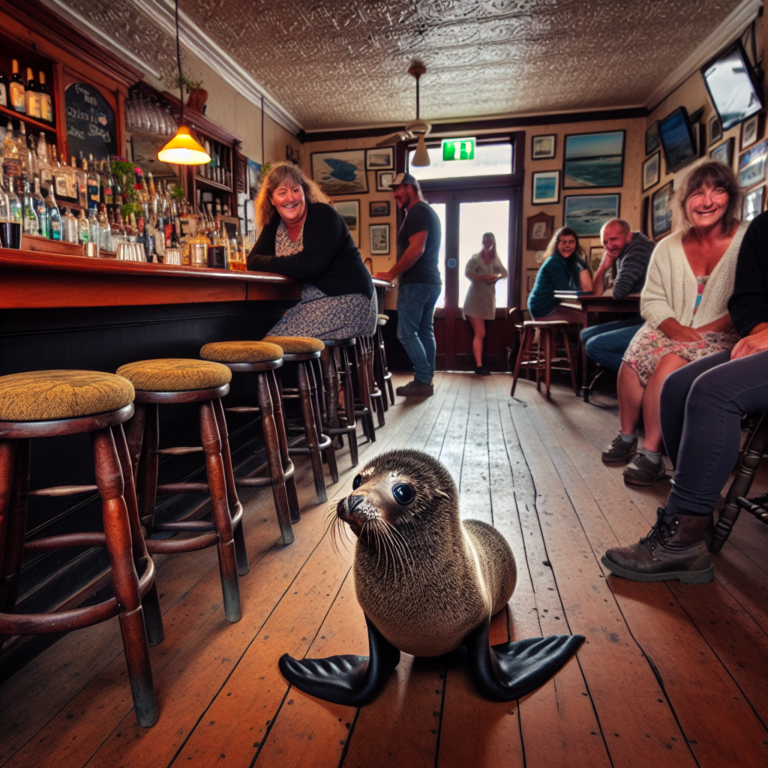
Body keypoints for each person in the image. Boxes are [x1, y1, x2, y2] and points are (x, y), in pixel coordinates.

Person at [602, 206, 768, 584]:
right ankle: (697, 507)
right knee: (678, 387)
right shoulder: (763, 227)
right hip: (762, 340)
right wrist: (760, 330)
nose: (708, 200)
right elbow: (747, 297)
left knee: (711, 391)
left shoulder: (742, 234)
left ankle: (682, 542)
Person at [603, 161, 747, 487]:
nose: (707, 201)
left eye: (718, 191)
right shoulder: (668, 245)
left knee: (667, 366)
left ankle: (652, 455)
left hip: (725, 330)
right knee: (631, 359)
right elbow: (651, 299)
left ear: (731, 197)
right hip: (669, 323)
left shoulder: (749, 238)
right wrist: (672, 327)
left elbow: (750, 299)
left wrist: (703, 331)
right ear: (684, 202)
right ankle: (626, 436)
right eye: (698, 193)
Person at [247, 162, 376, 339]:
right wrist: (291, 262)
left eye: (295, 190)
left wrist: (275, 262)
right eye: (282, 192)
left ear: (304, 192)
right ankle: (317, 367)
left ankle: (308, 367)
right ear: (271, 199)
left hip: (349, 298)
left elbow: (310, 265)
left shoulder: (323, 215)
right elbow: (252, 261)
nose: (290, 198)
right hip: (309, 301)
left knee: (273, 343)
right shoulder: (275, 223)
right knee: (265, 335)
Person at [375, 172, 442, 398]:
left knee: (405, 333)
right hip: (431, 281)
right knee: (424, 330)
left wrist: (392, 274)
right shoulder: (428, 211)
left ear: (410, 188)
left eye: (397, 189)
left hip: (417, 283)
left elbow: (416, 249)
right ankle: (426, 379)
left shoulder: (417, 212)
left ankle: (423, 380)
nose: (394, 195)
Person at [580, 219, 654, 372]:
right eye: (605, 242)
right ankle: (621, 374)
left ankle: (643, 375)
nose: (609, 246)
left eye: (613, 239)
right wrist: (602, 268)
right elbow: (597, 293)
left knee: (593, 346)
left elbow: (619, 292)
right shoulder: (622, 251)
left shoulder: (638, 249)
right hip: (640, 316)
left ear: (628, 236)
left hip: (652, 320)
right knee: (585, 334)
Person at [463, 232, 508, 375]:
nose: (488, 243)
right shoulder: (475, 259)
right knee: (480, 332)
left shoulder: (496, 260)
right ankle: (479, 366)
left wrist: (495, 278)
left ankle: (480, 365)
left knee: (482, 333)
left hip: (488, 300)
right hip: (474, 300)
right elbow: (468, 273)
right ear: (483, 242)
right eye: (486, 240)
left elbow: (505, 273)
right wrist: (483, 277)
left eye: (491, 241)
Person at [527, 227, 593, 322]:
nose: (567, 245)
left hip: (551, 306)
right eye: (563, 242)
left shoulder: (568, 261)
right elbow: (565, 291)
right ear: (556, 244)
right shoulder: (554, 262)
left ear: (576, 245)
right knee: (586, 317)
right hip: (542, 308)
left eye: (571, 242)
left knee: (586, 314)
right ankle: (582, 337)